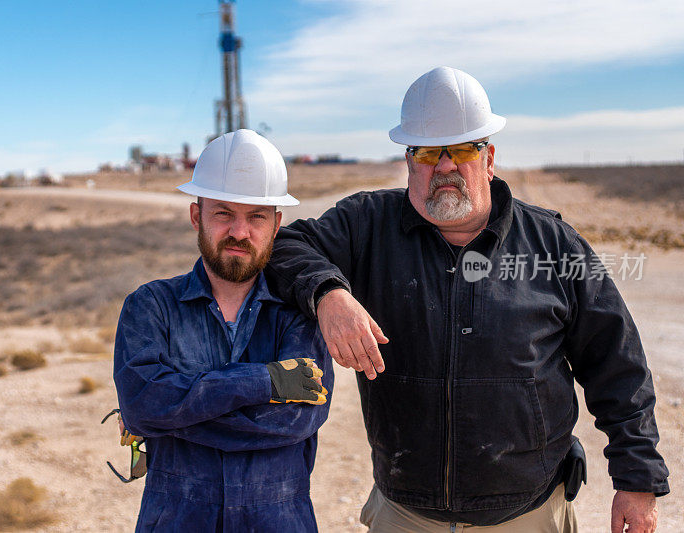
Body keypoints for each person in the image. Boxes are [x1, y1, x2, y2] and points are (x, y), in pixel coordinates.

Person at [265, 67, 669, 532]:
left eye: (461, 150)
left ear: (489, 156)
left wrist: (638, 480)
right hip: (405, 513)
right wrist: (329, 294)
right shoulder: (367, 225)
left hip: (530, 513)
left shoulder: (555, 242)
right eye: (427, 152)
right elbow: (282, 247)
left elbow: (618, 362)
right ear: (408, 159)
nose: (444, 166)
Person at [113, 129, 334, 532]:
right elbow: (143, 403)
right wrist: (266, 381)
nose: (239, 231)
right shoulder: (150, 306)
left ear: (276, 224)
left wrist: (167, 412)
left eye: (256, 217)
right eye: (223, 213)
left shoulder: (297, 315)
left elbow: (297, 422)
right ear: (196, 215)